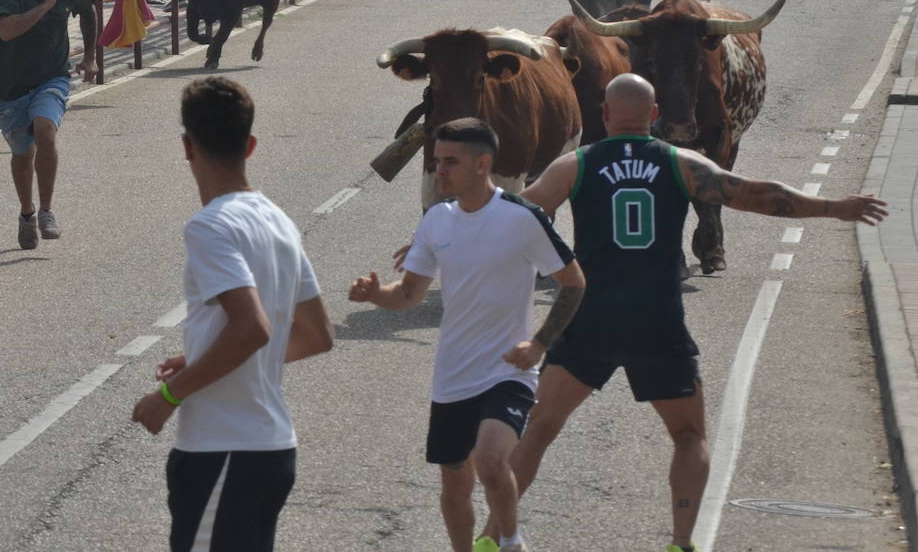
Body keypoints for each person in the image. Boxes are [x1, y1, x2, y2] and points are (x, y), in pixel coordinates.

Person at [481, 74, 886, 552]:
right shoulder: (679, 162)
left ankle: (492, 538)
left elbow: (522, 214)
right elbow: (755, 193)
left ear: (605, 115)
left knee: (540, 430)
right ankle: (680, 542)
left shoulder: (576, 165)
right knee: (689, 434)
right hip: (658, 321)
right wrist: (832, 207)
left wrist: (450, 234)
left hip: (589, 319)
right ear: (653, 116)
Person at [350, 118, 584, 552]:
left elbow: (573, 282)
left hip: (507, 373)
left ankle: (510, 542)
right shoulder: (437, 221)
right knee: (454, 490)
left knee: (492, 459)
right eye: (438, 161)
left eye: (450, 162)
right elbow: (407, 294)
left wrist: (538, 344)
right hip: (453, 376)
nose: (439, 171)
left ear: (483, 164)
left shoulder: (522, 218)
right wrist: (373, 295)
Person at [131, 76, 332, 552]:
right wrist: (203, 355)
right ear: (251, 144)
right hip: (272, 448)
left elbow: (252, 328)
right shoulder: (279, 219)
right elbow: (318, 334)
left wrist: (169, 395)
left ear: (186, 146)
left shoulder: (210, 227)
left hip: (223, 449)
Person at [0, 0, 97, 249]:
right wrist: (47, 5)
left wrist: (89, 56)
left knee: (45, 130)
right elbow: (7, 32)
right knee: (22, 155)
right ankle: (27, 214)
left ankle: (47, 212)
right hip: (10, 87)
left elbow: (89, 10)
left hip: (52, 77)